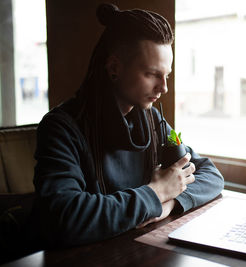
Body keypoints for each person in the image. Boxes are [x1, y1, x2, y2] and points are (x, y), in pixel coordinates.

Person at [30, 3, 224, 247]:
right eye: (152, 74)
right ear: (114, 68)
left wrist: (169, 204)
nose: (163, 87)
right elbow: (64, 216)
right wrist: (156, 193)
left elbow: (210, 175)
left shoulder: (154, 121)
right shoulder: (61, 128)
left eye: (167, 75)